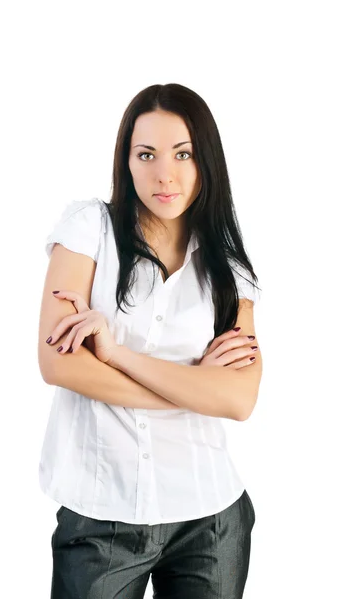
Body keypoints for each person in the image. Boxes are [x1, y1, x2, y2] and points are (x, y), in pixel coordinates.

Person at [38, 83, 262, 598]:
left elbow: (237, 398)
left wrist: (114, 355)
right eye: (147, 154)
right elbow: (59, 365)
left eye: (183, 154)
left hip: (211, 517)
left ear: (206, 161)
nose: (166, 173)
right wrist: (191, 388)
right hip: (102, 516)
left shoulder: (227, 268)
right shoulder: (89, 227)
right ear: (127, 161)